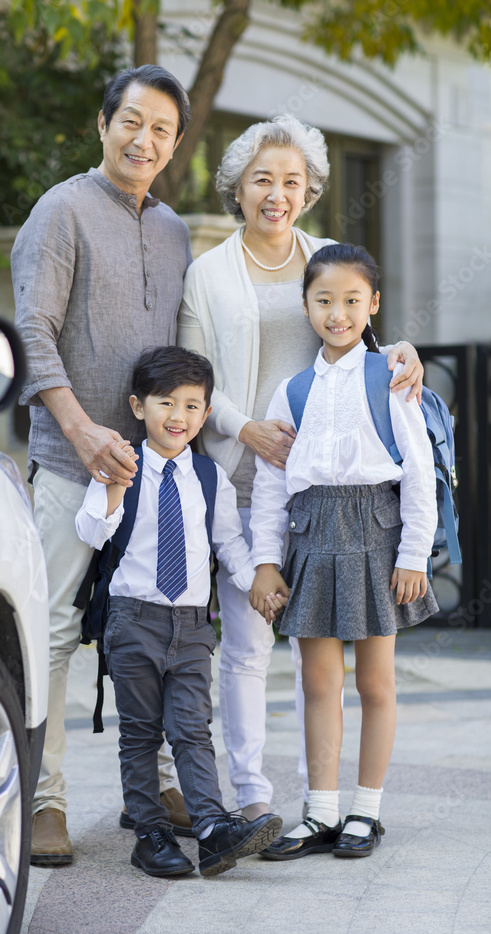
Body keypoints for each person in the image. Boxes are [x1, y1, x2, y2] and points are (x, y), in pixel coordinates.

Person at [177, 114, 424, 823]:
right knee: (250, 641)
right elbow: (197, 372)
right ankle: (254, 795)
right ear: (237, 188)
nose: (276, 193)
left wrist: (402, 346)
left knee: (315, 659)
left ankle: (325, 799)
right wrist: (245, 427)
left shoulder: (328, 257)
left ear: (309, 189)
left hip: (329, 483)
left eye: (290, 180)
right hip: (247, 471)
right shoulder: (209, 272)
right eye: (262, 179)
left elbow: (368, 333)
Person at [11, 65, 195, 865]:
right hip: (69, 462)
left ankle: (152, 783)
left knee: (153, 630)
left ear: (175, 144)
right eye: (130, 120)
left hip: (152, 471)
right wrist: (82, 431)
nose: (142, 138)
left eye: (159, 128)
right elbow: (30, 333)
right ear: (102, 124)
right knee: (51, 631)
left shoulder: (175, 231)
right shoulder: (61, 211)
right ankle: (44, 802)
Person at [251, 243, 438, 859]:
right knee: (317, 681)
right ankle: (320, 811)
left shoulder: (390, 376)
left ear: (373, 304)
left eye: (352, 300)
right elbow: (272, 483)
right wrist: (265, 560)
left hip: (377, 536)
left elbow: (417, 470)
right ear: (306, 306)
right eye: (324, 300)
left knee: (376, 682)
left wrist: (414, 553)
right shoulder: (293, 390)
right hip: (310, 536)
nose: (338, 313)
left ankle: (366, 810)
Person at [75, 346, 282, 877]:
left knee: (192, 728)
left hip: (192, 626)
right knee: (141, 731)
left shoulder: (208, 477)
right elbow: (91, 533)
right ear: (138, 406)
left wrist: (257, 579)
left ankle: (212, 830)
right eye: (166, 403)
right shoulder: (120, 465)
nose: (179, 416)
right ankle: (152, 833)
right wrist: (113, 492)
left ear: (206, 414)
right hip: (133, 618)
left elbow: (228, 545)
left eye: (192, 406)